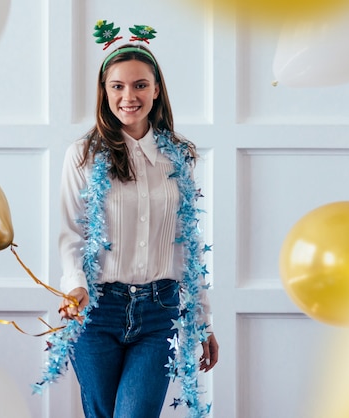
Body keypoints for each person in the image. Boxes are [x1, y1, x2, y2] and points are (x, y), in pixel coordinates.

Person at [57, 43, 219, 418]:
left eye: (140, 85)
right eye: (117, 87)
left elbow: (187, 247)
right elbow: (70, 233)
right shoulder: (83, 155)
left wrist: (201, 320)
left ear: (157, 89)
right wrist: (75, 286)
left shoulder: (179, 157)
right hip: (98, 310)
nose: (129, 96)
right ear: (104, 91)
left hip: (160, 310)